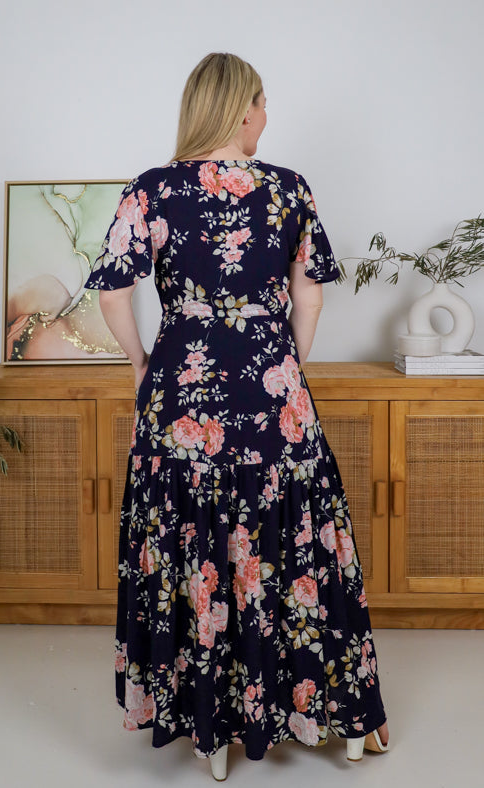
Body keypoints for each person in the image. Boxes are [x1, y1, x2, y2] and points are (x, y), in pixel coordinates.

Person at [84, 52, 389, 780]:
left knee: (190, 543)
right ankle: (334, 713)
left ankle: (208, 723)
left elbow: (112, 293)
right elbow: (310, 294)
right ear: (242, 108)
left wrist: (141, 363)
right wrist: (286, 367)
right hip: (274, 397)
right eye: (262, 103)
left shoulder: (152, 190)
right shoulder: (288, 189)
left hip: (179, 398)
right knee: (300, 544)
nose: (266, 116)